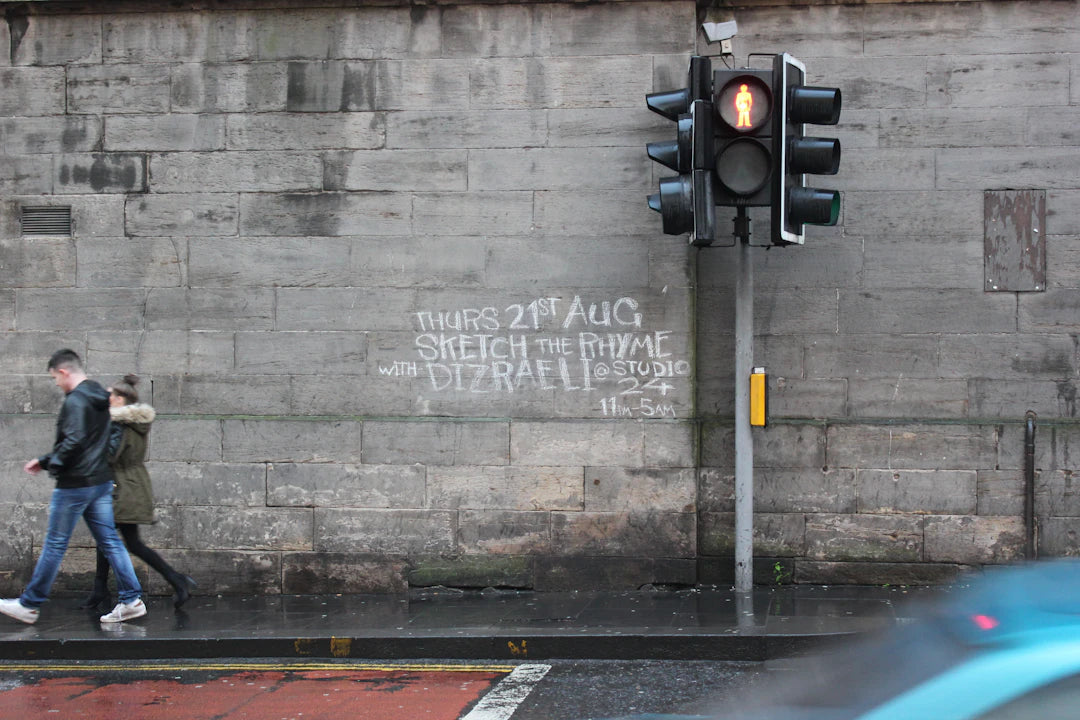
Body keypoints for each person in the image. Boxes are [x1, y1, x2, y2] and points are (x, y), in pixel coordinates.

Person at [0, 349, 147, 624]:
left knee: (55, 544)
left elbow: (75, 440)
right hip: (100, 482)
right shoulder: (99, 395)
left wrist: (52, 464)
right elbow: (95, 438)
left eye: (55, 377)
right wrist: (44, 461)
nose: (55, 382)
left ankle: (29, 605)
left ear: (64, 372)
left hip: (75, 484)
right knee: (111, 542)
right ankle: (131, 600)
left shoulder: (76, 401)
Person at [80, 374, 196, 610]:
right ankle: (100, 590)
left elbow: (109, 455)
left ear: (122, 399)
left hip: (122, 487)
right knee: (110, 539)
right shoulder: (130, 422)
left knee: (125, 542)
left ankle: (177, 580)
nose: (107, 397)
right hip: (128, 484)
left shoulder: (118, 424)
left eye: (111, 394)